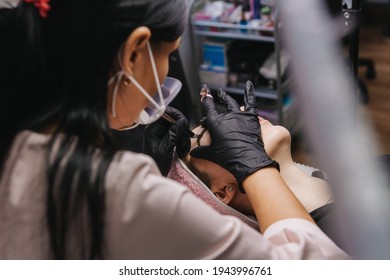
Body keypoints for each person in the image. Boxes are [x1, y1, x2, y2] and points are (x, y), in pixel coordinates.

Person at [0, 0, 348, 260]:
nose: (238, 118)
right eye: (170, 53)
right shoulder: (116, 191)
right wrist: (254, 164)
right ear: (135, 52)